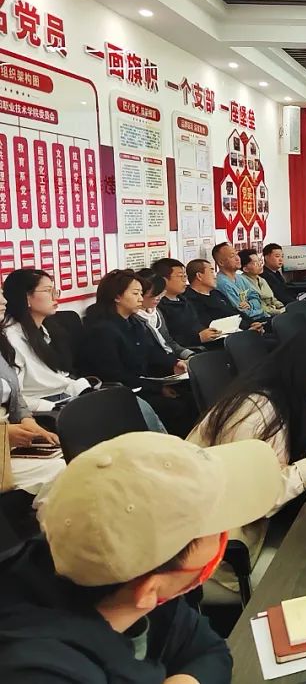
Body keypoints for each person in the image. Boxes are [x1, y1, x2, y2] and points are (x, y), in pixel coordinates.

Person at [0, 431, 283, 681]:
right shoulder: (39, 670)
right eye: (214, 527)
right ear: (149, 591)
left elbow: (210, 651)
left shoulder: (124, 569)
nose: (224, 532)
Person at [188, 324, 306, 593]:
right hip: (219, 554)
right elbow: (256, 500)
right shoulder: (253, 413)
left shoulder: (292, 399)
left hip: (261, 528)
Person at [80, 270, 198, 437]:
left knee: (192, 395)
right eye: (135, 294)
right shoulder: (102, 330)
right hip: (125, 392)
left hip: (143, 383)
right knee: (177, 407)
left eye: (141, 294)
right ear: (117, 297)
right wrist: (157, 388)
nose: (141, 299)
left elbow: (151, 352)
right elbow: (113, 375)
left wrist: (174, 363)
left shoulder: (134, 322)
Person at [1, 269, 92, 412]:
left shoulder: (48, 327)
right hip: (44, 407)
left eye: (55, 290)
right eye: (48, 290)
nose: (55, 296)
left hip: (66, 396)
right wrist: (53, 408)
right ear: (26, 297)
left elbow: (61, 376)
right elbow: (16, 397)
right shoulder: (11, 337)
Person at [0, 292, 64, 495]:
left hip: (8, 441)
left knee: (80, 455)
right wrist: (5, 435)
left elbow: (14, 395)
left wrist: (27, 420)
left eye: (2, 294)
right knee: (62, 472)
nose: (4, 301)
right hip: (3, 448)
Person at [152, 258, 222, 349]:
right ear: (164, 280)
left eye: (185, 276)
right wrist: (198, 338)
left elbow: (197, 324)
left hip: (206, 343)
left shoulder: (185, 299)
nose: (184, 280)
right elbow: (168, 339)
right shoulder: (159, 306)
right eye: (180, 276)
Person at [184, 259, 263, 332]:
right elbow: (210, 325)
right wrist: (246, 330)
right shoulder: (190, 300)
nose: (215, 276)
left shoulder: (216, 293)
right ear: (199, 276)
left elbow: (234, 311)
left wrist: (251, 323)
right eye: (211, 272)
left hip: (243, 330)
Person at [135, 271, 197, 361]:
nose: (158, 298)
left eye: (161, 293)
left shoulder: (156, 312)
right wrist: (175, 362)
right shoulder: (134, 319)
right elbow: (150, 353)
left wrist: (189, 355)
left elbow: (168, 341)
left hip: (172, 358)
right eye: (154, 295)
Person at [212, 242, 270, 323]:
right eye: (232, 256)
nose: (237, 258)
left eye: (236, 254)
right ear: (221, 262)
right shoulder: (222, 283)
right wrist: (258, 309)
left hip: (261, 316)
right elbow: (241, 311)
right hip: (250, 322)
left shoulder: (240, 278)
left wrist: (250, 304)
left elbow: (256, 297)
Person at [240, 248, 285, 316]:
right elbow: (259, 305)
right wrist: (278, 312)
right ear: (245, 269)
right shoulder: (243, 282)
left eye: (259, 261)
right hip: (263, 315)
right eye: (255, 263)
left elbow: (273, 299)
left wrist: (282, 307)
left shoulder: (261, 279)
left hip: (275, 312)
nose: (260, 264)